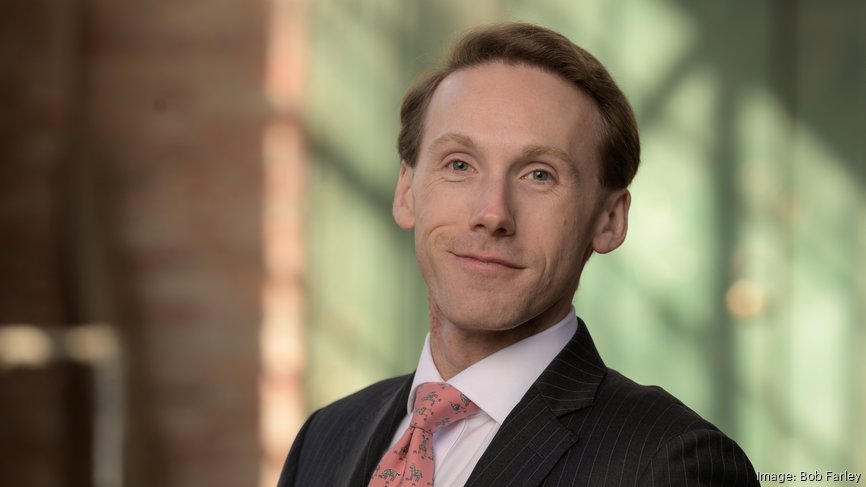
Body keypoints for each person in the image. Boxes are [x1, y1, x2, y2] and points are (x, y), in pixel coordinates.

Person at [279, 22, 759, 486]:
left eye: (539, 174)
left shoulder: (669, 463)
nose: (492, 214)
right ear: (407, 190)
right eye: (459, 164)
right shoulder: (326, 436)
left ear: (609, 219)